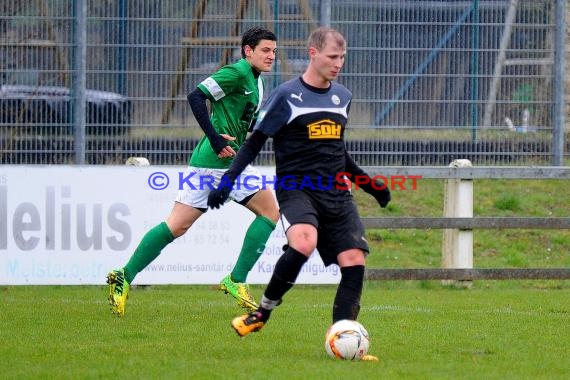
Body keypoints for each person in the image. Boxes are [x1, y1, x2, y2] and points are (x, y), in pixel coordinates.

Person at [207, 27, 390, 360]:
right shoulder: (286, 96)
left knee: (354, 260)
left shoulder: (343, 97)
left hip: (337, 193)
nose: (338, 64)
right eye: (333, 57)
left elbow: (338, 151)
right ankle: (261, 313)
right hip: (296, 189)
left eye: (343, 57)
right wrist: (227, 182)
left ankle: (345, 338)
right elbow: (254, 144)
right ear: (313, 53)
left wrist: (369, 184)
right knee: (303, 242)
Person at [106, 27, 280, 317]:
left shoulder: (257, 83)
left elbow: (244, 124)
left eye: (274, 51)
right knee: (270, 212)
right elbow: (195, 96)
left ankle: (124, 275)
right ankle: (236, 280)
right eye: (265, 50)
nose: (271, 56)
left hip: (210, 162)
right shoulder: (236, 72)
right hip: (219, 161)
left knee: (176, 226)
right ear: (248, 50)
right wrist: (213, 137)